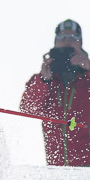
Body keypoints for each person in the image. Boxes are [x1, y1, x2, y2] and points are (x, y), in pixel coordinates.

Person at [20, 19, 90, 166]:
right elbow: (28, 108)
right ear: (55, 42)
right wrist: (43, 80)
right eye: (62, 37)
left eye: (73, 38)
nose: (67, 42)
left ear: (81, 43)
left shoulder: (87, 76)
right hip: (57, 172)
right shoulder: (44, 79)